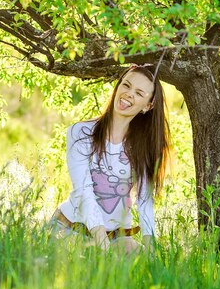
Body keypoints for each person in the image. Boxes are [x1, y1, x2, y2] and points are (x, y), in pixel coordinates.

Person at [51, 64, 170, 253]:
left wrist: (150, 249)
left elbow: (145, 201)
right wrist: (103, 248)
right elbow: (84, 192)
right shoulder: (81, 133)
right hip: (70, 230)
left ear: (148, 106)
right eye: (126, 85)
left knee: (148, 273)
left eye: (139, 93)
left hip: (117, 238)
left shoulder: (144, 146)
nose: (129, 94)